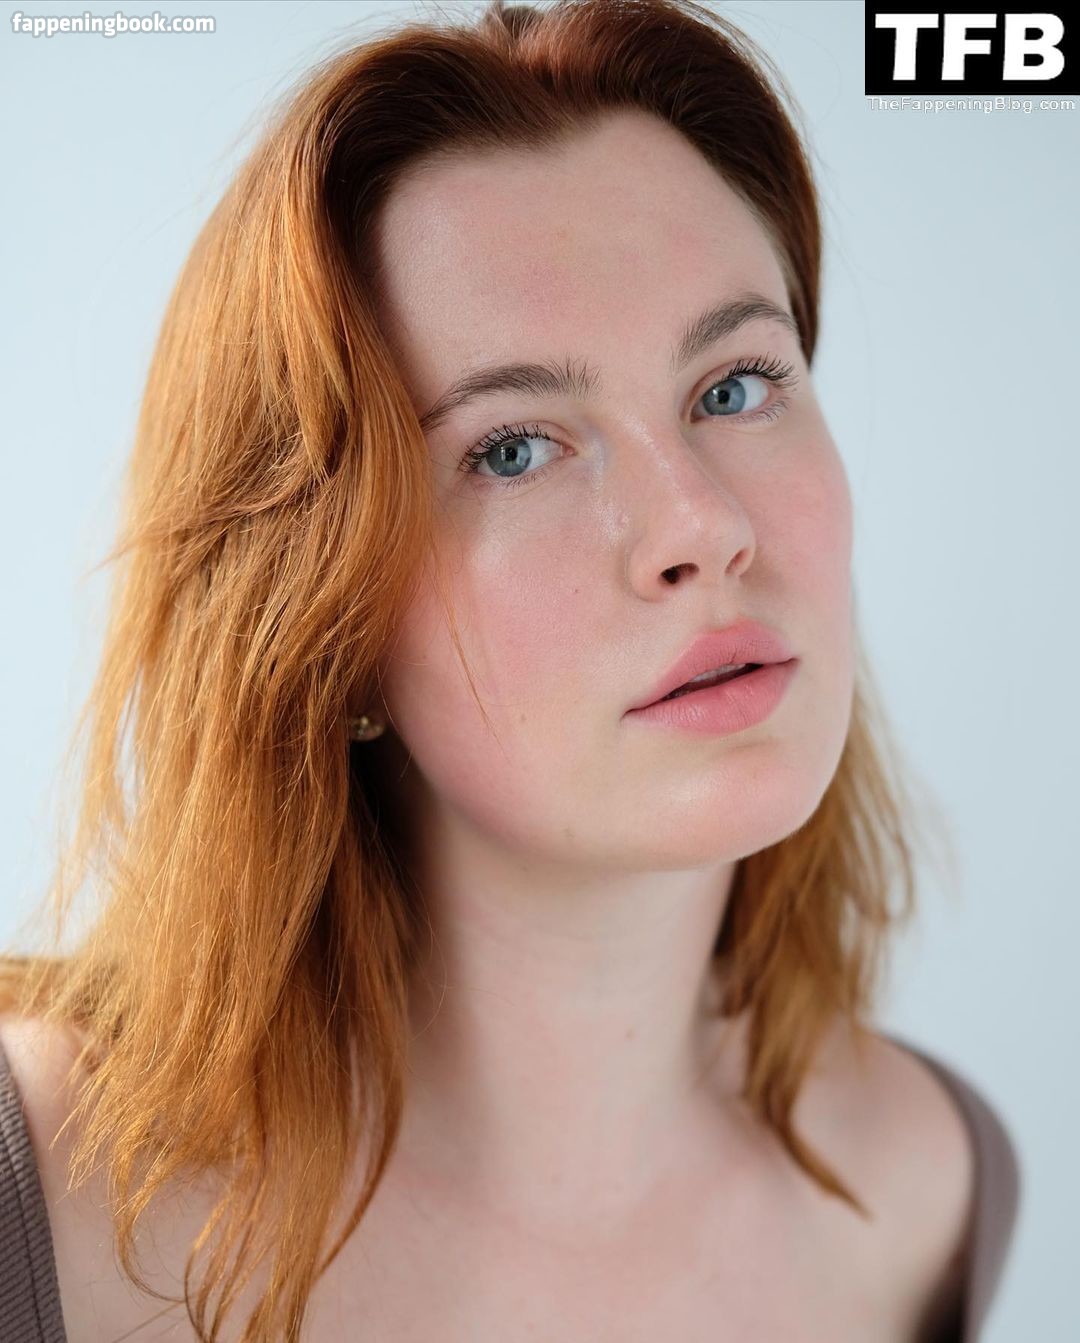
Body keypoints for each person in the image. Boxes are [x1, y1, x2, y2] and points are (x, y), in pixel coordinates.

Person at [0, 1, 1020, 1340]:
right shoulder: (40, 1195)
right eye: (514, 450)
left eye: (734, 386)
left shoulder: (929, 1189)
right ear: (323, 625)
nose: (703, 525)